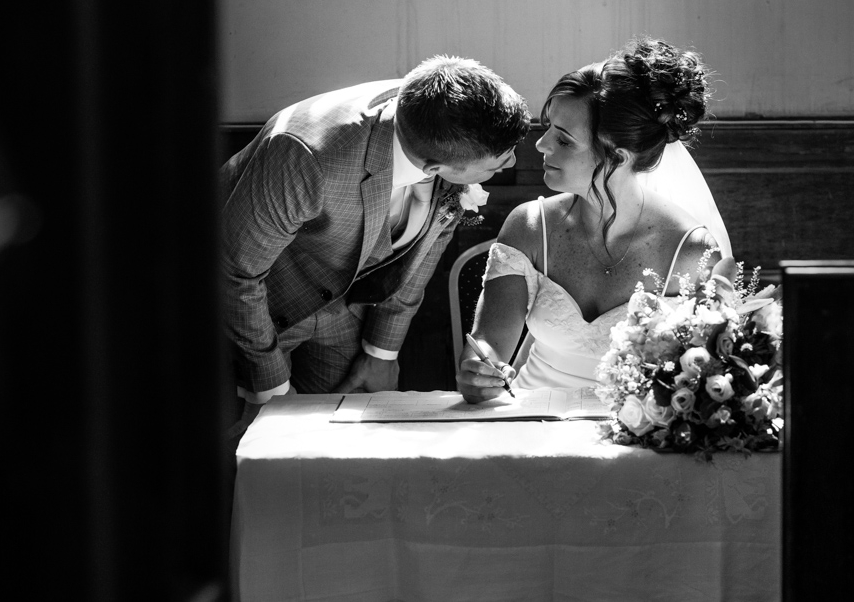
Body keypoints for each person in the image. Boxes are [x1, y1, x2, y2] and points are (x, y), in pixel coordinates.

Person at [222, 55, 530, 426]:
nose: (512, 164)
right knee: (251, 446)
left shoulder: (444, 128)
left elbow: (419, 258)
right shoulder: (306, 155)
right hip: (252, 306)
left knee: (341, 440)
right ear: (433, 169)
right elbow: (235, 274)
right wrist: (271, 390)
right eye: (501, 160)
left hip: (345, 310)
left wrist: (380, 353)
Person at [457, 37, 734, 403]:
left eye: (564, 140)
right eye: (547, 129)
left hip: (636, 432)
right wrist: (479, 373)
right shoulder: (529, 226)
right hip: (527, 416)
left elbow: (703, 377)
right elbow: (488, 346)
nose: (541, 146)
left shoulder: (690, 251)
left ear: (617, 157)